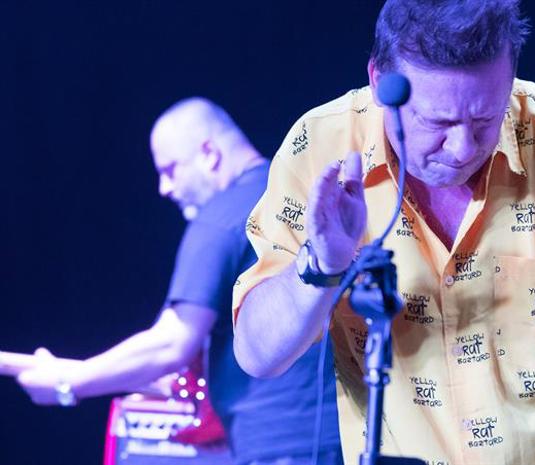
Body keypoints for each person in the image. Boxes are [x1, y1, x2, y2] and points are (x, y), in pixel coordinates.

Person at [230, 1, 535, 464]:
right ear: (379, 81)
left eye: (484, 120)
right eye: (437, 122)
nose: (461, 148)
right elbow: (258, 356)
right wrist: (320, 266)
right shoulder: (320, 148)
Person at [16, 97, 342, 465]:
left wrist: (69, 383)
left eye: (171, 170)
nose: (164, 188)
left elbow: (173, 343)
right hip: (345, 432)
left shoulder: (221, 217)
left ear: (209, 154)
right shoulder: (296, 194)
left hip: (284, 442)